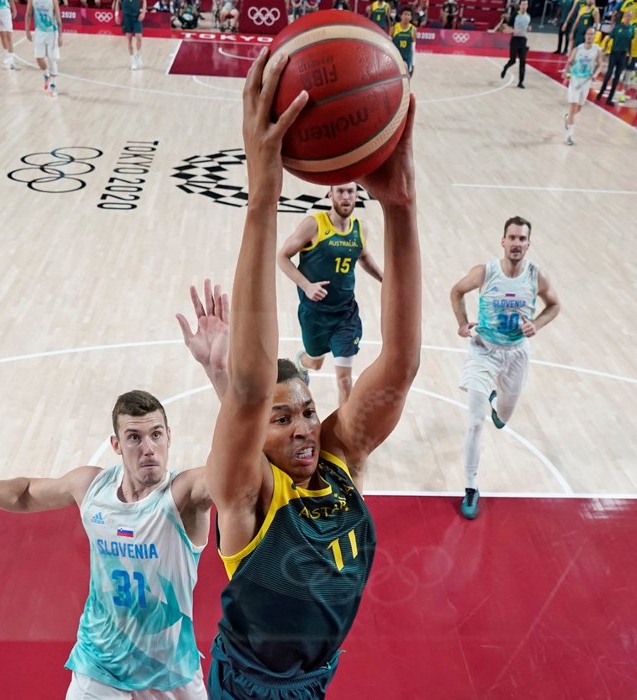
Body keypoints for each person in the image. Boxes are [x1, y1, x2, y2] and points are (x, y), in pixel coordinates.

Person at [205, 51, 420, 698]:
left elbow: (402, 365)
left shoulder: (339, 455)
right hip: (250, 688)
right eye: (283, 417)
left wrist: (402, 207)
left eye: (304, 410)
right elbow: (246, 389)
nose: (303, 428)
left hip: (317, 679)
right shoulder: (246, 493)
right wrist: (262, 197)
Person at [0, 391, 212, 699]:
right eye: (134, 438)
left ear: (169, 436)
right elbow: (25, 494)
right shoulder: (91, 487)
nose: (148, 449)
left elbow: (228, 476)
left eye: (156, 435)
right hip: (100, 662)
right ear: (116, 445)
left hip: (170, 668)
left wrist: (224, 377)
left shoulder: (184, 495)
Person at [450, 216, 561, 520]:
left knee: (503, 418)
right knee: (475, 421)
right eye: (512, 238)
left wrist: (536, 324)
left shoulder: (537, 276)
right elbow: (456, 291)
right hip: (483, 351)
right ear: (502, 241)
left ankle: (497, 404)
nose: (516, 244)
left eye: (522, 239)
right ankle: (471, 486)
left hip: (516, 355)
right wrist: (462, 323)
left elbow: (554, 305)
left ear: (528, 244)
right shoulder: (485, 272)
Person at [277, 183, 384, 407]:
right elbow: (282, 257)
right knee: (315, 362)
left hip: (346, 315)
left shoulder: (360, 228)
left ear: (357, 195)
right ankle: (302, 364)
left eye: (350, 191)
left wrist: (386, 279)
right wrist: (306, 286)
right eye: (340, 191)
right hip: (314, 314)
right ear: (330, 195)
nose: (345, 196)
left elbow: (363, 257)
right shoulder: (314, 225)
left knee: (344, 380)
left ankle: (344, 434)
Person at [563, 25, 602, 144]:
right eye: (588, 34)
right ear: (585, 36)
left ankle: (567, 118)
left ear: (594, 36)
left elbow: (600, 65)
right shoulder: (578, 49)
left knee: (578, 108)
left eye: (592, 34)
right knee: (573, 107)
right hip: (575, 80)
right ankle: (569, 136)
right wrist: (566, 70)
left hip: (586, 81)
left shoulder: (597, 50)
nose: (590, 36)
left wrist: (595, 74)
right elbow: (569, 61)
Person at [25, 0, 62, 96]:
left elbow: (58, 18)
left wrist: (60, 36)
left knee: (52, 59)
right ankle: (46, 74)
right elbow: (28, 14)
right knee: (38, 58)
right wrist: (27, 30)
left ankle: (53, 85)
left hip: (52, 33)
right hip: (39, 32)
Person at [597, 10, 634, 105]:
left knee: (617, 77)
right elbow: (608, 38)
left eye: (630, 16)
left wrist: (630, 54)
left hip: (623, 55)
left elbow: (630, 42)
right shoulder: (618, 28)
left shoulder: (631, 29)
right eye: (627, 15)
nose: (628, 17)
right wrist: (604, 49)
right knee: (609, 73)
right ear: (624, 16)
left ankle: (609, 99)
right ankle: (601, 92)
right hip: (614, 53)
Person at [499, 0, 531, 89]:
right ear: (520, 5)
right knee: (513, 60)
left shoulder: (528, 16)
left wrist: (529, 28)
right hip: (515, 40)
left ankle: (521, 82)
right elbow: (507, 26)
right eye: (523, 4)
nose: (525, 5)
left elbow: (528, 26)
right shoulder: (515, 15)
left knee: (523, 62)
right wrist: (511, 30)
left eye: (526, 4)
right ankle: (505, 67)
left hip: (523, 40)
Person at [113, 0, 146, 70]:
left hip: (136, 17)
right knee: (129, 40)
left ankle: (138, 55)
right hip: (127, 18)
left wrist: (143, 13)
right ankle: (132, 60)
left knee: (139, 37)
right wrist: (116, 15)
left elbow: (144, 1)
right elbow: (117, 2)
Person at [392, 7, 416, 77]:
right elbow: (389, 45)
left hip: (407, 58)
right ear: (401, 16)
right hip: (395, 57)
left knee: (406, 79)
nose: (406, 16)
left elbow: (413, 48)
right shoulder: (394, 27)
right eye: (405, 14)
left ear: (411, 17)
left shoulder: (413, 29)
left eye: (408, 15)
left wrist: (413, 64)